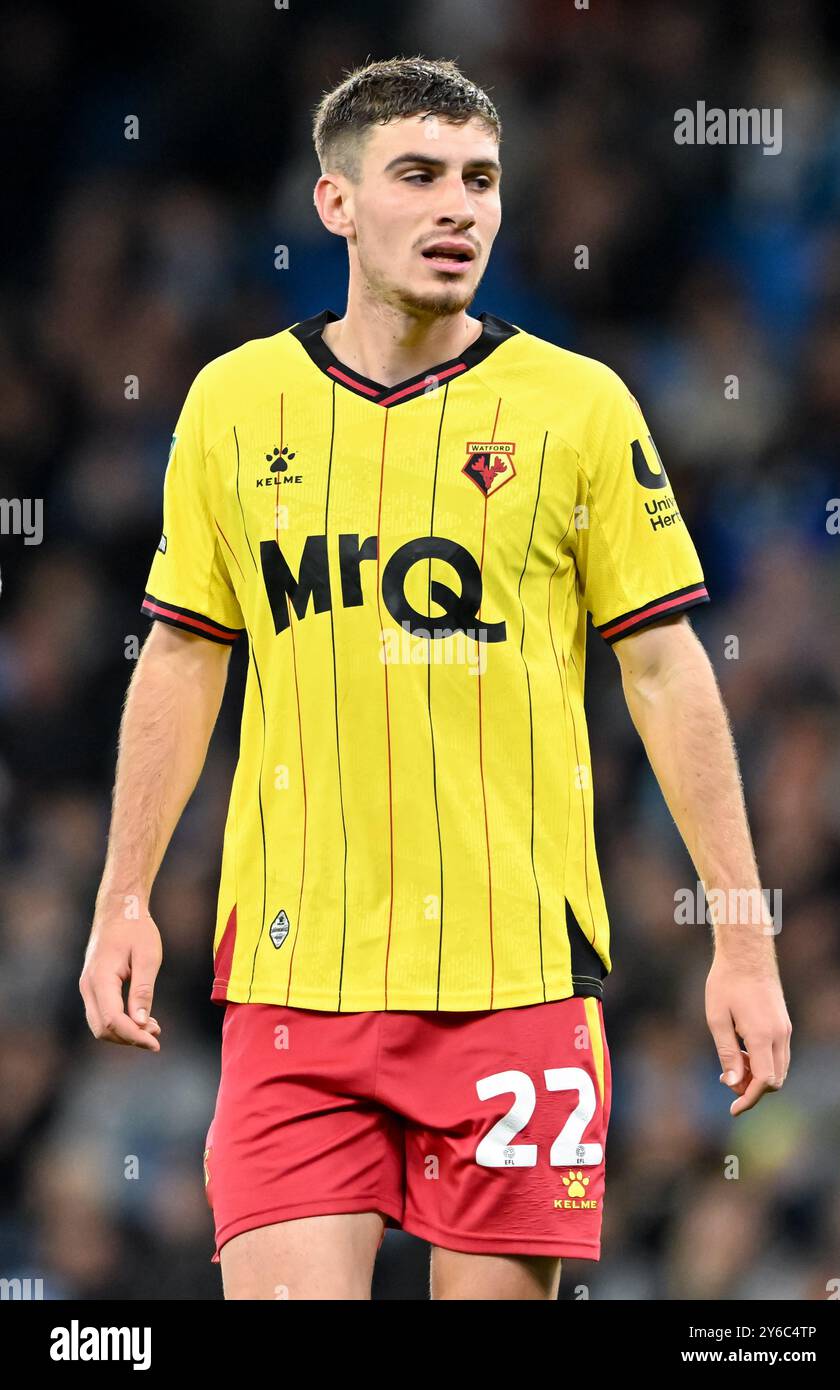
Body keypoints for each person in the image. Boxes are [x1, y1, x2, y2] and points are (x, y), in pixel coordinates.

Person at [80, 55, 791, 1301]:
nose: (457, 205)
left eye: (480, 179)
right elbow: (186, 652)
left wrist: (740, 931)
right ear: (335, 202)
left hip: (514, 985)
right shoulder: (234, 405)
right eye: (417, 175)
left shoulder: (577, 407)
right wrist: (122, 894)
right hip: (296, 991)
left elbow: (669, 672)